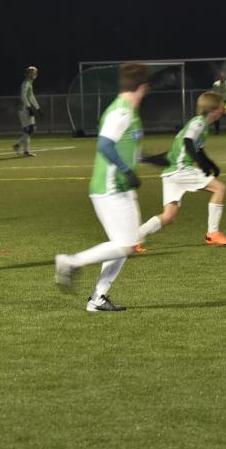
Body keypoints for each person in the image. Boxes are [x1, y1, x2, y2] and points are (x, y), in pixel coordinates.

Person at [54, 63, 150, 312]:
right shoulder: (121, 111)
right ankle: (70, 262)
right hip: (110, 187)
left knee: (123, 244)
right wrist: (126, 171)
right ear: (142, 87)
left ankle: (97, 298)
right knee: (127, 244)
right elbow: (105, 145)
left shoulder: (130, 110)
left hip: (119, 188)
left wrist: (155, 160)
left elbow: (131, 150)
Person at [137, 92, 226, 247]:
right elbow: (188, 141)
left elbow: (197, 149)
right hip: (181, 169)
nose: (223, 110)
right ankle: (213, 233)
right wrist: (201, 164)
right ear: (213, 109)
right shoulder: (199, 122)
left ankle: (135, 238)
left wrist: (210, 164)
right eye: (221, 107)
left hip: (171, 173)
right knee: (220, 189)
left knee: (169, 216)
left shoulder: (201, 126)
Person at [13, 66, 42, 157]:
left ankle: (25, 150)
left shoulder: (29, 83)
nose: (32, 74)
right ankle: (18, 145)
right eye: (30, 73)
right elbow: (23, 96)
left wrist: (38, 108)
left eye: (33, 73)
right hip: (23, 109)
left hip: (25, 108)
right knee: (31, 129)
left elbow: (31, 97)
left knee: (29, 130)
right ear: (27, 74)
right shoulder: (25, 83)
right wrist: (29, 108)